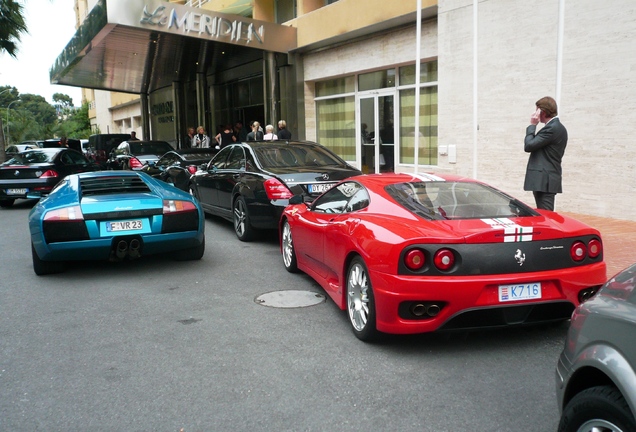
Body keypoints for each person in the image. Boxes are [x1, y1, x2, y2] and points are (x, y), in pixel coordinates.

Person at [523, 96, 568, 211]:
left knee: (547, 216)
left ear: (542, 112)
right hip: (546, 180)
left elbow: (529, 145)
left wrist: (532, 125)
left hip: (545, 180)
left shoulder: (552, 129)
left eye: (537, 110)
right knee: (545, 214)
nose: (535, 113)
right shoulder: (555, 127)